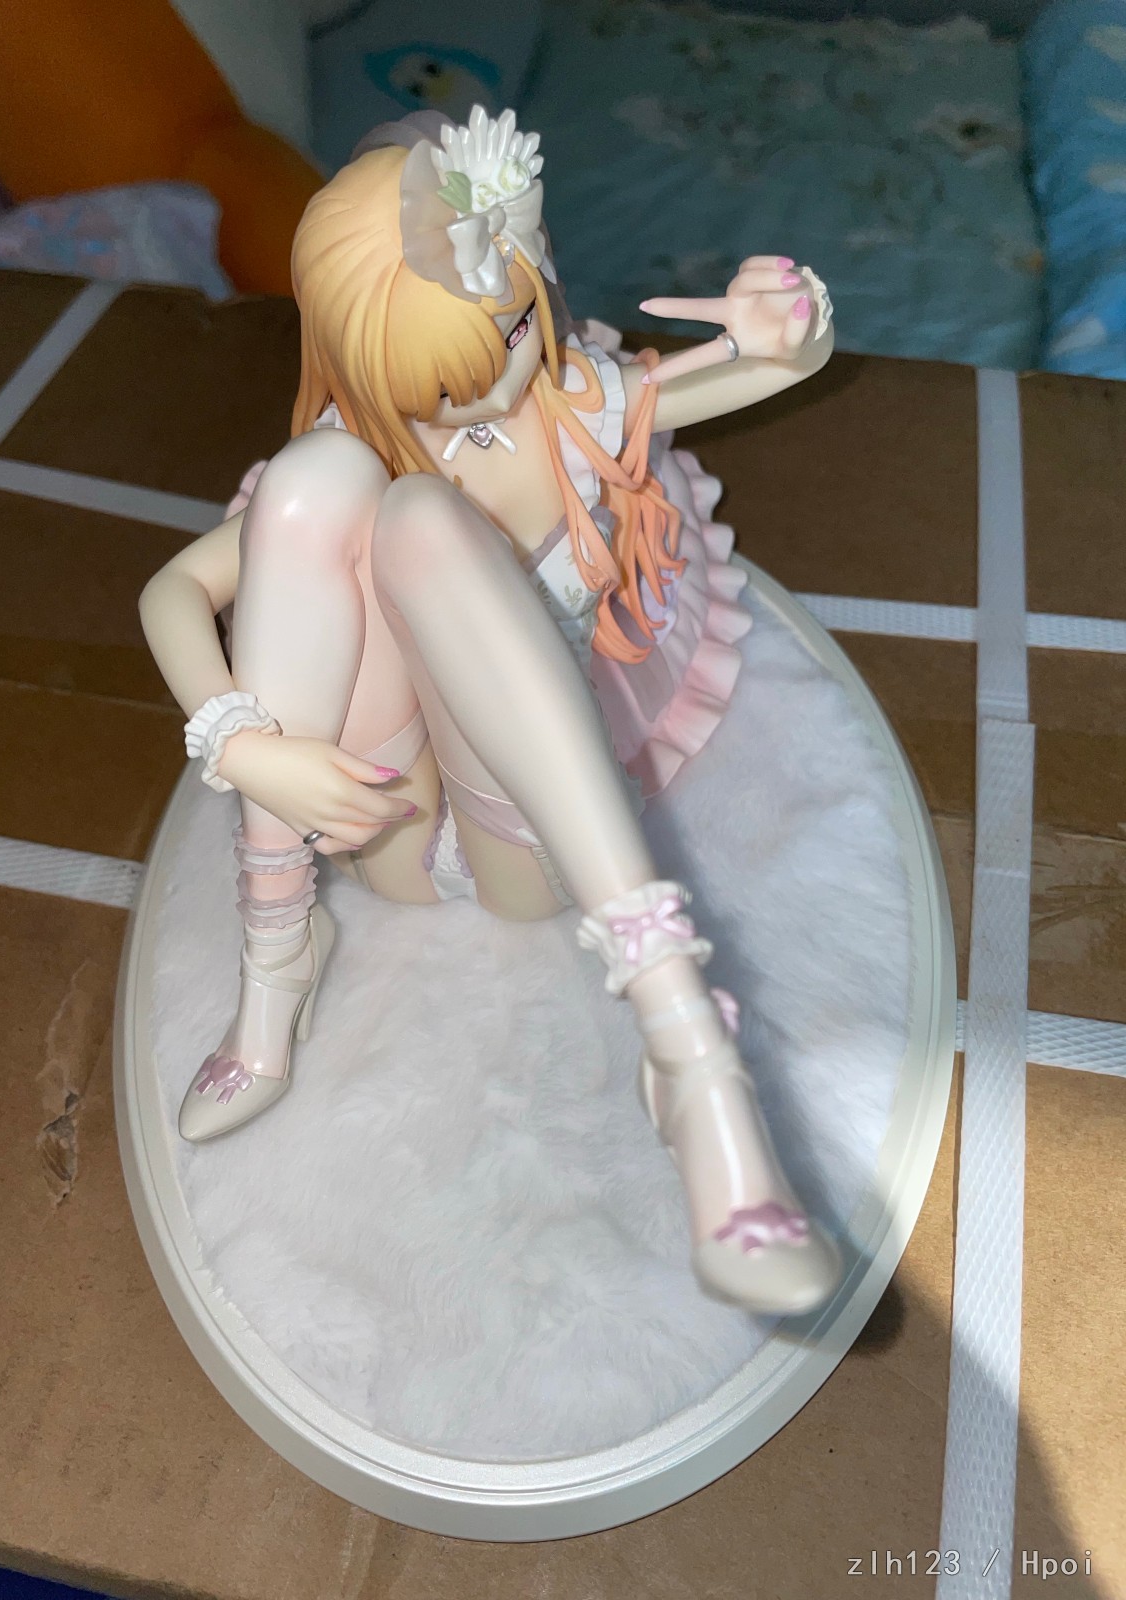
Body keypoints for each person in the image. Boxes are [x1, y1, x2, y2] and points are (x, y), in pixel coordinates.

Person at [140, 106, 841, 1315]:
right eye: (444, 380)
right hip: (383, 823)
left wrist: (794, 324)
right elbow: (171, 592)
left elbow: (762, 369)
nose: (497, 386)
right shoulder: (352, 439)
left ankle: (687, 1043)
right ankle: (275, 961)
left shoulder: (570, 407)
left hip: (534, 836)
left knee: (421, 519)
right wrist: (243, 746)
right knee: (317, 486)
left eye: (513, 330)